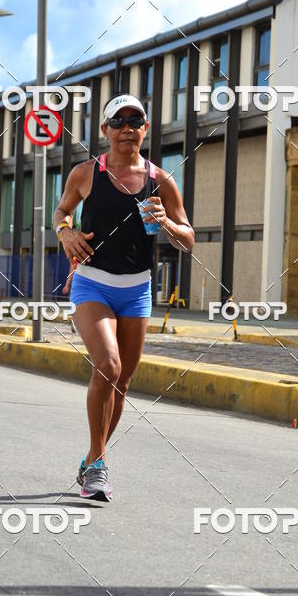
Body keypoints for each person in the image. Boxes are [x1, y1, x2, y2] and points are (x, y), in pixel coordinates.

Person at [53, 93, 195, 501]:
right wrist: (67, 234)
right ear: (105, 130)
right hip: (92, 282)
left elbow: (189, 240)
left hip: (136, 290)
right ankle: (98, 466)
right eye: (119, 120)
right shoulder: (86, 173)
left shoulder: (161, 180)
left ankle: (91, 460)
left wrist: (166, 222)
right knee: (108, 365)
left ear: (145, 129)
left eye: (137, 120)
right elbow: (61, 213)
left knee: (122, 382)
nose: (128, 127)